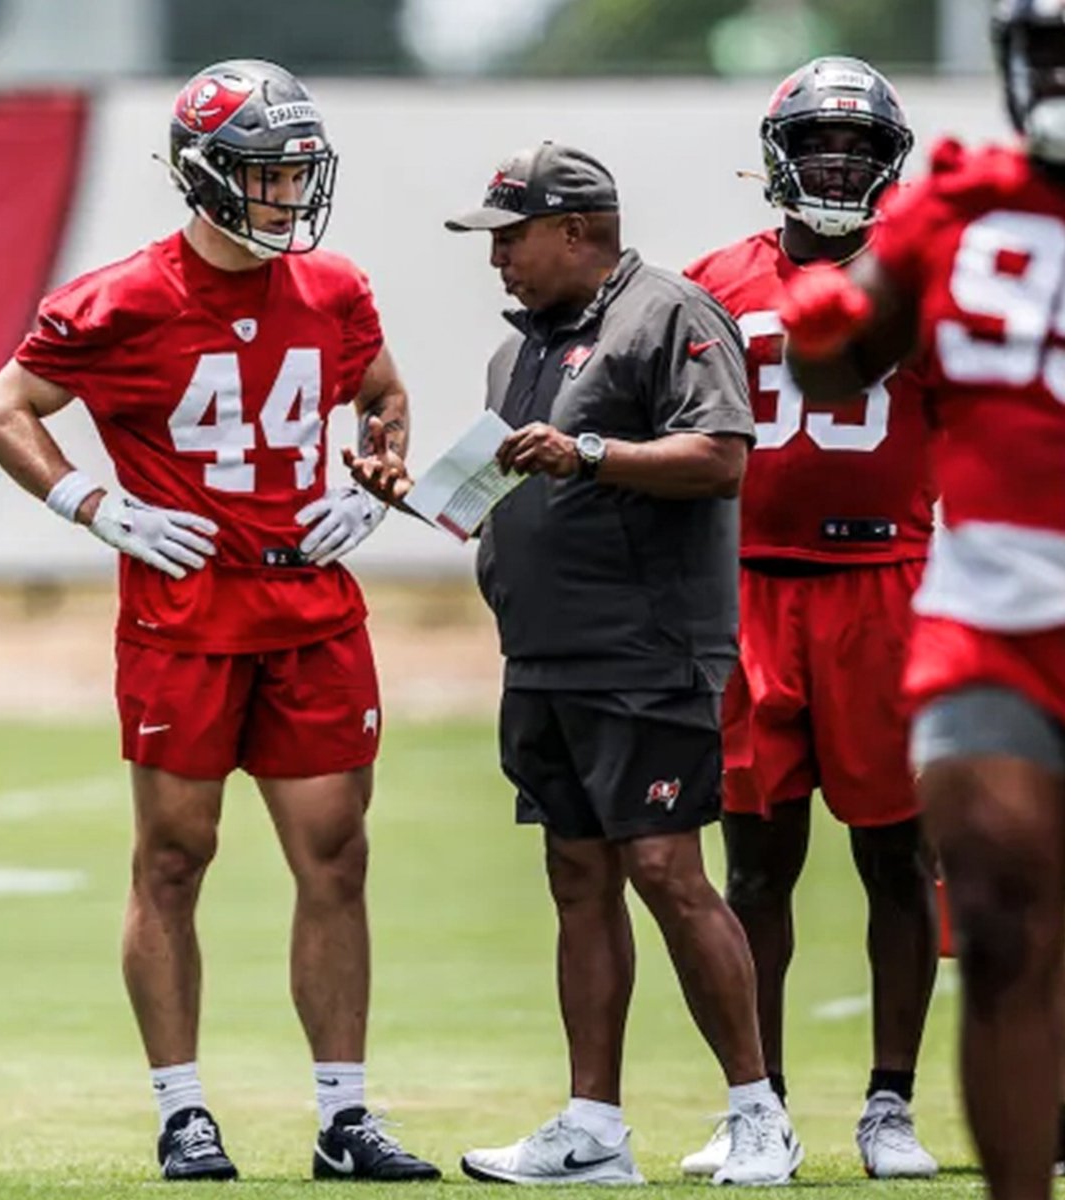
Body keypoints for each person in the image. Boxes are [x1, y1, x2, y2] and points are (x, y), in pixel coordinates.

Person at [0, 58, 439, 1184]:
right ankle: (183, 1112)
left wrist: (375, 473)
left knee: (336, 857)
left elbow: (382, 391)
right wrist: (93, 505)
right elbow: (0, 409)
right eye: (268, 173)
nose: (289, 195)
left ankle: (344, 1118)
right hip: (185, 613)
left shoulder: (334, 288)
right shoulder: (122, 299)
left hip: (311, 607)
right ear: (208, 174)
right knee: (175, 858)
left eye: (298, 172)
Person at [347, 141, 800, 1186]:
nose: (496, 259)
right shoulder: (519, 353)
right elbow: (488, 502)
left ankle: (758, 1112)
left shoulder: (669, 313)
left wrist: (589, 451)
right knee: (577, 877)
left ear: (575, 230)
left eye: (510, 238)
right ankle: (594, 1127)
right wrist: (404, 492)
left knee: (666, 871)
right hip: (544, 655)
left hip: (648, 650)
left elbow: (722, 457)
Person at [780, 4, 1065, 1198]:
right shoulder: (958, 207)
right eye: (1049, 53)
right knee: (994, 913)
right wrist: (827, 327)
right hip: (993, 611)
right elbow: (833, 364)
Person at [681, 57, 939, 1180]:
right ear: (777, 158)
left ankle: (891, 1105)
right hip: (749, 587)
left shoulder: (925, 280)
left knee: (898, 854)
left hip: (886, 582)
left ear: (889, 165)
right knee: (755, 863)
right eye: (818, 146)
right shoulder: (714, 281)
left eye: (857, 149)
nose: (836, 166)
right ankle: (760, 1104)